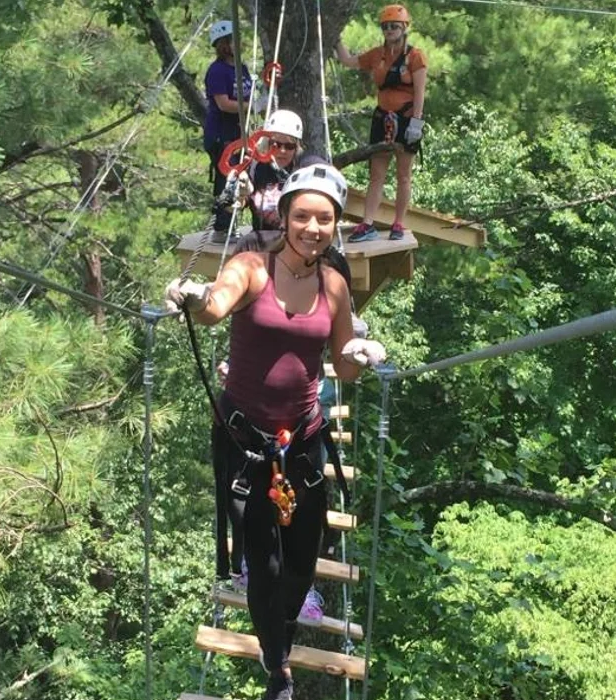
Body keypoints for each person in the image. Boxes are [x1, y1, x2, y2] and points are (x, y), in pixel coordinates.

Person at [166, 164, 386, 699]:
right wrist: (196, 297)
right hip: (246, 443)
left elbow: (343, 363)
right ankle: (276, 665)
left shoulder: (334, 284)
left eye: (325, 219)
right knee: (262, 563)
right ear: (285, 218)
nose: (313, 227)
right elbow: (216, 307)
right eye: (303, 216)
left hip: (305, 441)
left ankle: (279, 635)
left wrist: (361, 356)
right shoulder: (251, 268)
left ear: (335, 226)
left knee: (302, 562)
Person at [336, 4, 428, 242]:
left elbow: (419, 93)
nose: (389, 30)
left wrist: (416, 125)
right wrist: (333, 38)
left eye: (394, 26)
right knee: (376, 174)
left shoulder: (415, 57)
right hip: (382, 118)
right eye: (386, 27)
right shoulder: (377, 55)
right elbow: (348, 61)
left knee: (403, 175)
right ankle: (367, 224)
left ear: (404, 28)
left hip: (407, 119)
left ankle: (398, 223)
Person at [203, 20, 254, 240]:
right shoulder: (217, 71)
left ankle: (234, 222)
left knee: (243, 178)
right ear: (224, 44)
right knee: (227, 179)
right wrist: (250, 106)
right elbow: (224, 103)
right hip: (221, 134)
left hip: (238, 133)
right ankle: (222, 228)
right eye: (233, 40)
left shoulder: (241, 68)